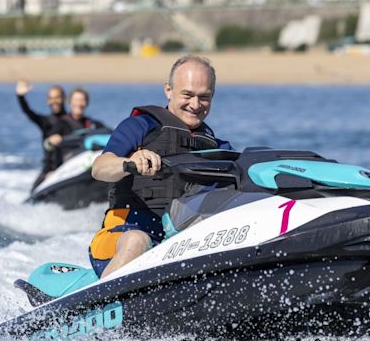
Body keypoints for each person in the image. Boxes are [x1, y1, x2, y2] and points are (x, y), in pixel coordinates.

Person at [89, 55, 232, 278]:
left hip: (177, 244)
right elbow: (99, 168)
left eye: (204, 97)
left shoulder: (218, 148)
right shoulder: (140, 126)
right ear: (168, 90)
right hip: (121, 237)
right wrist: (130, 163)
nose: (195, 105)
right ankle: (100, 306)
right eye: (187, 95)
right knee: (138, 240)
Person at [16, 79, 67, 190]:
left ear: (64, 99)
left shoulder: (71, 120)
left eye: (57, 97)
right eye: (51, 98)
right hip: (49, 170)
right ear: (47, 101)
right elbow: (28, 112)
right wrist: (20, 97)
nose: (54, 101)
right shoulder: (45, 121)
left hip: (69, 167)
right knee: (34, 191)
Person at [45, 87, 107, 165]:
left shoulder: (93, 124)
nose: (79, 103)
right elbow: (48, 144)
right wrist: (51, 141)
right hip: (67, 166)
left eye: (82, 100)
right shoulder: (61, 123)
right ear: (70, 102)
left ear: (86, 103)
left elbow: (110, 133)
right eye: (76, 100)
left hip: (88, 161)